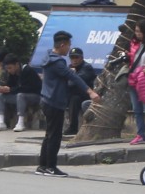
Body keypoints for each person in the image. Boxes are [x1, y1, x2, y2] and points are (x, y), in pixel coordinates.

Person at [36, 31, 100, 177]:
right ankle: (51, 167)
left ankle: (42, 166)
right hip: (53, 102)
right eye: (69, 45)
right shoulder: (58, 62)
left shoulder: (48, 57)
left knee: (49, 134)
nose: (69, 49)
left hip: (46, 99)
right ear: (62, 45)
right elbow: (73, 77)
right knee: (55, 136)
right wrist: (90, 91)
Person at [0, 54, 42, 132]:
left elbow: (26, 88)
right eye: (7, 68)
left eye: (10, 68)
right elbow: (11, 86)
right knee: (0, 95)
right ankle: (1, 122)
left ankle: (20, 123)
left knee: (20, 95)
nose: (9, 70)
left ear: (17, 65)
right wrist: (4, 89)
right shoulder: (12, 74)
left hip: (35, 96)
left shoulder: (27, 70)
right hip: (19, 96)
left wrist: (10, 89)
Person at [64, 47, 96, 135]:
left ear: (81, 58)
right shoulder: (70, 67)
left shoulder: (87, 67)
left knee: (74, 99)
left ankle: (73, 128)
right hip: (72, 94)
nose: (74, 60)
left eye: (76, 57)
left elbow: (73, 83)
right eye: (72, 57)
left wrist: (72, 74)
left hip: (86, 95)